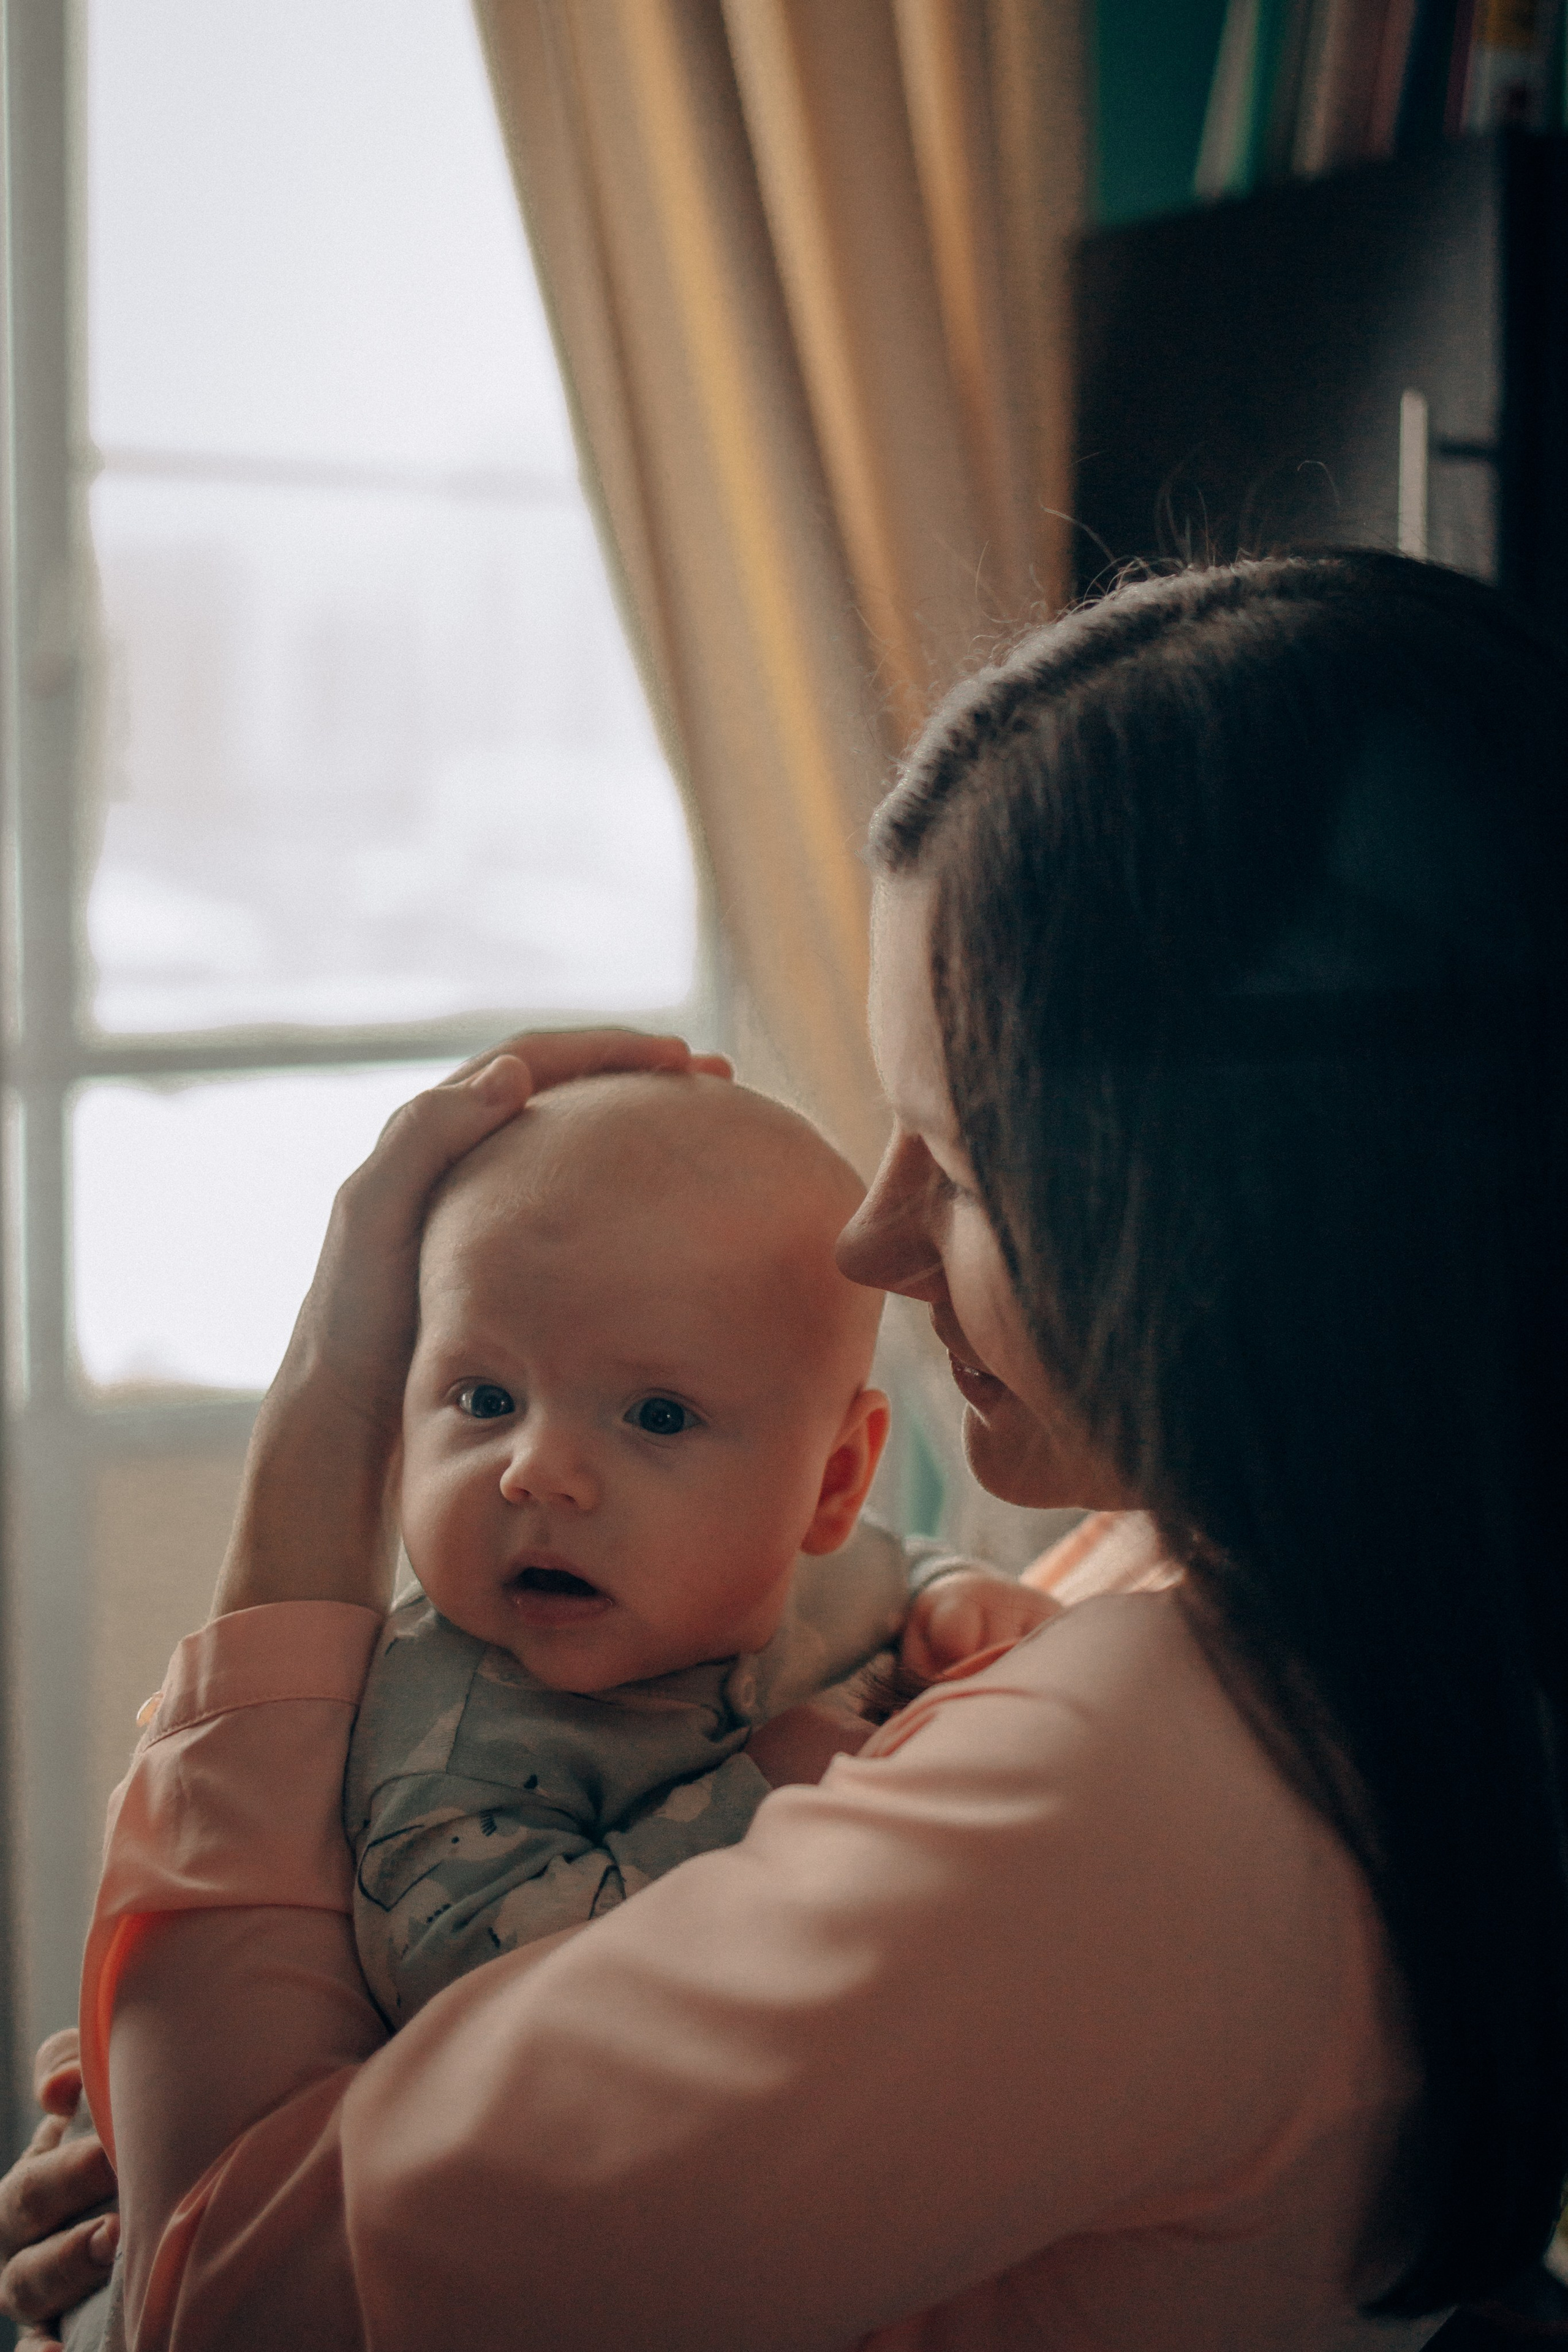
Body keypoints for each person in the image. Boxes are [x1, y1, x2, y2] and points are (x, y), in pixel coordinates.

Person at [7, 551, 1565, 2349]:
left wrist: (343, 1385)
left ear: (1228, 1213)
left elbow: (234, 2290)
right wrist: (201, 2083)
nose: (871, 1247)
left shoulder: (1137, 1778)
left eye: (956, 1165)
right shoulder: (1274, 1596)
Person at [346, 1069, 1047, 2021]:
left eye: (658, 1415)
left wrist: (951, 1591)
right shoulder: (455, 1726)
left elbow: (893, 1568)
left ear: (832, 1484)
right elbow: (464, 1984)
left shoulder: (826, 1582)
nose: (538, 1470)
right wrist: (760, 1797)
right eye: (485, 1401)